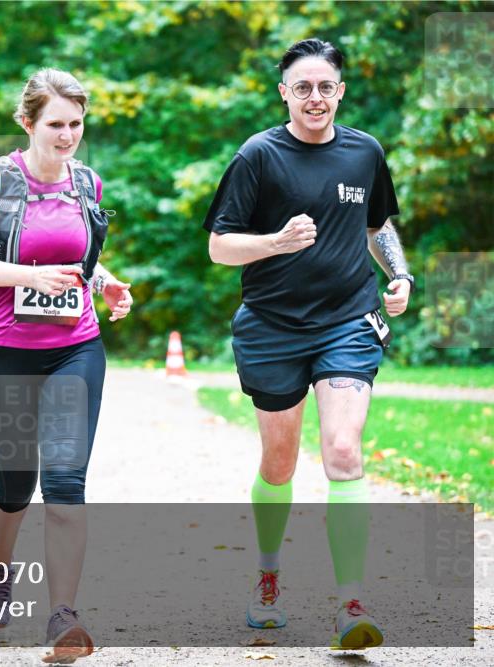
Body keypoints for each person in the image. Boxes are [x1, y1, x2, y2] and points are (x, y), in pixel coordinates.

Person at [203, 38, 413, 650]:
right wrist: (275, 241)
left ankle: (351, 603)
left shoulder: (365, 153)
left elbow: (378, 225)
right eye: (303, 87)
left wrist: (398, 274)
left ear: (340, 91)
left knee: (343, 452)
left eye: (325, 86)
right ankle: (269, 575)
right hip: (271, 325)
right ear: (284, 94)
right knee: (280, 462)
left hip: (348, 319)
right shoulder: (258, 156)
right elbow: (219, 247)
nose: (315, 97)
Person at [0, 68, 133, 663]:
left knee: (66, 478)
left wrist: (103, 283)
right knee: (15, 481)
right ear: (27, 123)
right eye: (55, 124)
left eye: (76, 124)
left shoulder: (87, 185)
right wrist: (27, 276)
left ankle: (63, 616)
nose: (67, 135)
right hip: (4, 352)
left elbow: (78, 260)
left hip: (76, 346)